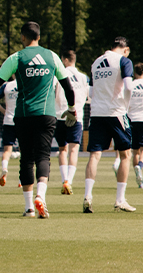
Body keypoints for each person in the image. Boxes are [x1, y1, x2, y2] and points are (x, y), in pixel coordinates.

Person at [0, 22, 75, 219]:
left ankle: (29, 209)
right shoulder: (52, 56)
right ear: (39, 37)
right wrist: (72, 109)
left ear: (22, 38)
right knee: (43, 156)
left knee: (26, 159)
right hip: (46, 115)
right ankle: (40, 196)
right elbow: (68, 87)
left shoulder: (16, 57)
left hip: (23, 116)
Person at [82, 37, 136, 213]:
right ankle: (120, 199)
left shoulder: (96, 62)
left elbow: (90, 92)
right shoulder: (124, 61)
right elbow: (128, 86)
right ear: (125, 49)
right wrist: (125, 106)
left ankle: (88, 196)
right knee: (125, 155)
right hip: (116, 113)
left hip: (97, 113)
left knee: (94, 155)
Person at [53, 50, 90, 195]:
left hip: (60, 115)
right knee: (74, 150)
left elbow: (53, 93)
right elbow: (88, 97)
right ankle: (69, 180)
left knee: (62, 149)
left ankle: (64, 180)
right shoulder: (83, 77)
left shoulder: (58, 75)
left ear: (65, 59)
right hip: (76, 116)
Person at [0, 74, 19, 187]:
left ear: (13, 74)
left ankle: (4, 169)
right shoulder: (26, 83)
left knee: (7, 150)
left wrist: (4, 111)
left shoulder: (6, 85)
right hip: (23, 120)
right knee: (26, 152)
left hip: (8, 121)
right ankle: (22, 180)